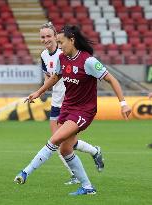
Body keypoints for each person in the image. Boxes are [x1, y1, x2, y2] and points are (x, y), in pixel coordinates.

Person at [14, 25, 131, 196]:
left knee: (55, 139)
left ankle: (25, 172)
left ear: (72, 40)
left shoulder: (88, 61)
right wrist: (38, 92)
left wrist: (123, 104)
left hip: (84, 111)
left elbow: (112, 79)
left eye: (61, 42)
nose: (59, 46)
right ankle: (87, 187)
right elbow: (55, 77)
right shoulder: (62, 58)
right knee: (65, 149)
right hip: (67, 107)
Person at [39, 22, 104, 185]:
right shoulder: (43, 55)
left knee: (59, 142)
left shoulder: (65, 51)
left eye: (48, 36)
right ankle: (95, 151)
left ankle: (76, 175)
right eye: (42, 37)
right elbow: (49, 76)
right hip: (56, 102)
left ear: (56, 36)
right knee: (63, 142)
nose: (45, 39)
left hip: (70, 104)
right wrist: (42, 90)